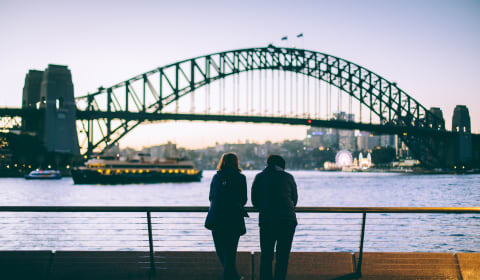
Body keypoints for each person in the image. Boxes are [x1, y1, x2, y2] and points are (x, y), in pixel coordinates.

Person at [251, 154, 298, 280]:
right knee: (283, 256)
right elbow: (294, 199)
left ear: (268, 164)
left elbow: (254, 201)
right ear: (282, 165)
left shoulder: (260, 177)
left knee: (266, 256)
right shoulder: (288, 177)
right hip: (287, 220)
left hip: (267, 220)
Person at [205, 153, 247, 280]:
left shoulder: (216, 177)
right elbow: (243, 199)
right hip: (233, 219)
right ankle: (234, 277)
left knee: (221, 252)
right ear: (236, 162)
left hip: (216, 218)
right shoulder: (240, 178)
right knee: (230, 252)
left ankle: (234, 277)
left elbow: (211, 196)